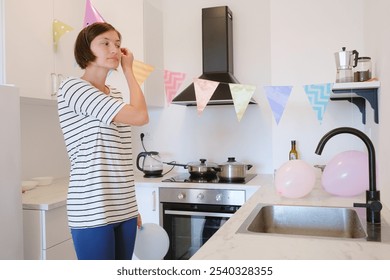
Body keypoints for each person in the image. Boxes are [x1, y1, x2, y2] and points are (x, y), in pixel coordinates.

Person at [57, 22, 149, 260]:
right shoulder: (73, 88)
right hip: (91, 208)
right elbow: (140, 116)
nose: (114, 50)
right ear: (86, 49)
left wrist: (131, 207)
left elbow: (118, 154)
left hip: (124, 207)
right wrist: (129, 71)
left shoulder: (115, 95)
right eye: (105, 43)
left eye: (117, 44)